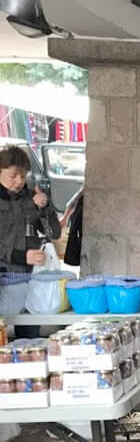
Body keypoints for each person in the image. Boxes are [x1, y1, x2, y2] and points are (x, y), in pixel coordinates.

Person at [0, 145, 61, 338]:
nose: (19, 181)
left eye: (23, 175)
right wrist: (20, 256)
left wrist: (45, 207)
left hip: (30, 278)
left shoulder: (31, 198)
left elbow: (55, 233)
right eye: (13, 175)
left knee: (29, 338)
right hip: (4, 278)